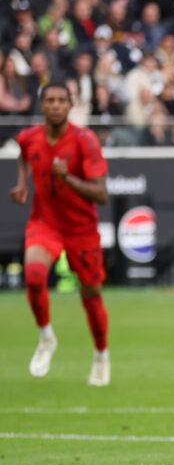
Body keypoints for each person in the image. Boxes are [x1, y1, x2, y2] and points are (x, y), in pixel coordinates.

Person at [9, 83, 111, 386]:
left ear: (70, 105)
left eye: (61, 101)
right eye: (49, 100)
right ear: (42, 106)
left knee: (91, 295)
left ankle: (101, 354)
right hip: (45, 222)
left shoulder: (85, 141)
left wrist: (69, 179)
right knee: (34, 275)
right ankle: (46, 337)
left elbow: (102, 194)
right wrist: (23, 183)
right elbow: (24, 155)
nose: (55, 105)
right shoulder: (29, 138)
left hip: (81, 228)